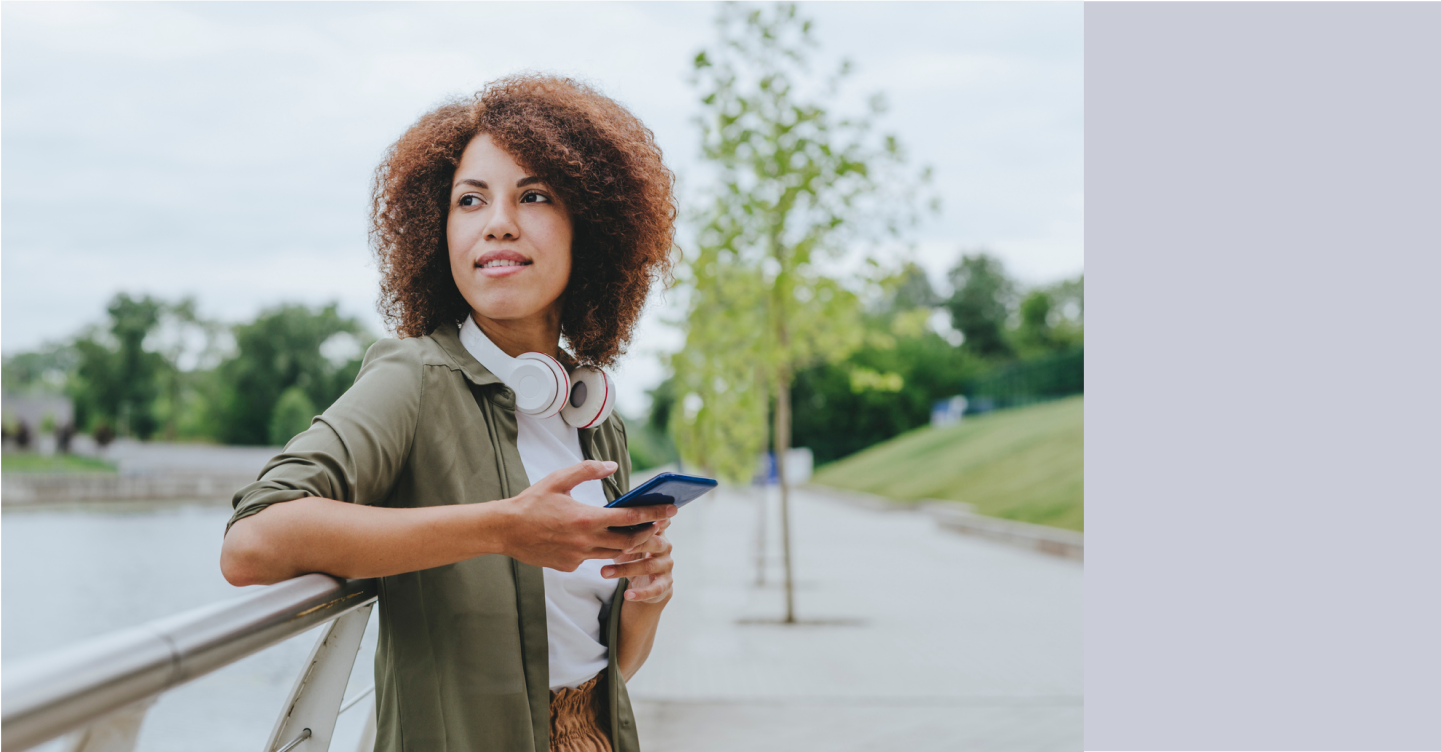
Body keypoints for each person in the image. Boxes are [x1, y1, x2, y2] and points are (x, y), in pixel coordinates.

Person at [219, 74, 679, 752]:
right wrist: (501, 529)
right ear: (439, 231)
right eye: (470, 199)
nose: (498, 220)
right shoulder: (414, 379)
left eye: (534, 195)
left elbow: (608, 673)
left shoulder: (589, 414)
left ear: (592, 227)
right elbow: (251, 543)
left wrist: (646, 596)